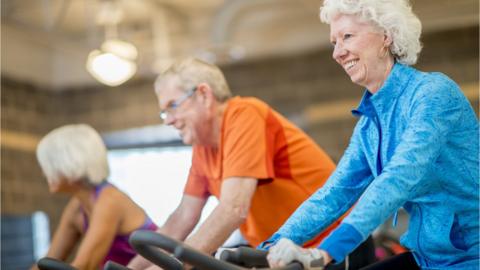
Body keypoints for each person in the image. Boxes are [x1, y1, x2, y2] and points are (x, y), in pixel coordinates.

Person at [262, 0, 479, 269]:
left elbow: (399, 177)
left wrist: (327, 251)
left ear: (385, 36)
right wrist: (271, 246)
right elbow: (334, 194)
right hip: (429, 258)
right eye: (334, 42)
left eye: (347, 37)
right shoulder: (370, 126)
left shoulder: (433, 94)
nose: (337, 53)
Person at [128, 58, 375, 270]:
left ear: (203, 94)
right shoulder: (203, 148)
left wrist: (176, 264)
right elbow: (181, 218)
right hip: (285, 254)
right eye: (164, 113)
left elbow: (233, 209)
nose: (168, 120)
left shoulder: (244, 115)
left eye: (172, 106)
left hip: (334, 243)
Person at [32, 124, 158, 269]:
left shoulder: (110, 200)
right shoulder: (77, 206)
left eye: (49, 164)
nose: (44, 172)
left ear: (69, 164)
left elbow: (84, 266)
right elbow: (48, 261)